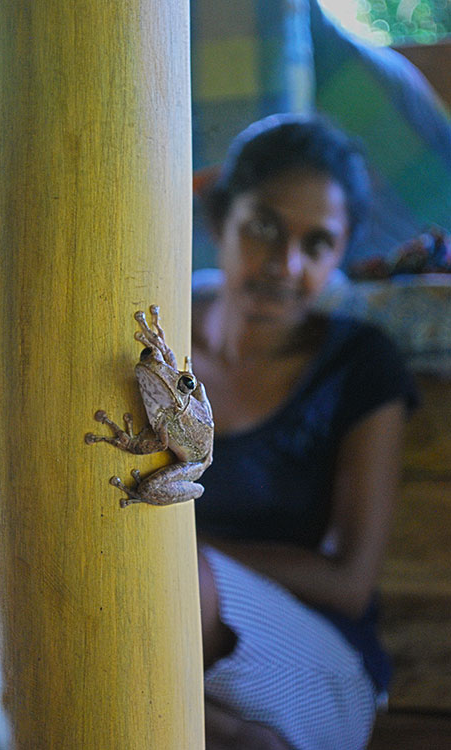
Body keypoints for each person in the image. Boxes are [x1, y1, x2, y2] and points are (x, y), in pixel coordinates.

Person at [192, 114, 418, 749]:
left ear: (340, 255)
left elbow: (349, 583)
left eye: (317, 244)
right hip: (157, 632)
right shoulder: (153, 341)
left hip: (318, 659)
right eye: (264, 227)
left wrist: (177, 548)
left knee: (173, 584)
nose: (285, 264)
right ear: (221, 220)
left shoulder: (360, 365)